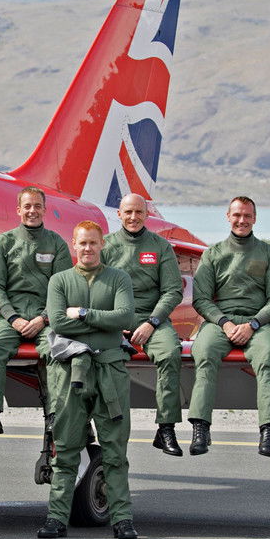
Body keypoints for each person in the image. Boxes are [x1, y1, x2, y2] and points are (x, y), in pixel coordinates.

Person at [37, 221, 137, 539]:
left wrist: (82, 313)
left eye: (93, 243)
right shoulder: (60, 280)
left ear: (102, 244)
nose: (88, 248)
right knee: (65, 448)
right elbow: (58, 323)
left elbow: (125, 318)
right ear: (74, 244)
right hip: (71, 373)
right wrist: (101, 325)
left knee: (114, 450)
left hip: (110, 372)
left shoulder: (118, 278)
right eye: (82, 243)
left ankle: (122, 519)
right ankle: (56, 518)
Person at [188, 196, 270, 456]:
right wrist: (224, 322)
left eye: (247, 216)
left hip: (260, 323)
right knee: (204, 351)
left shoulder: (269, 253)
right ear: (228, 216)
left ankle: (268, 431)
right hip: (221, 321)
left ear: (254, 218)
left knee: (268, 357)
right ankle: (200, 427)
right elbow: (200, 299)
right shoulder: (213, 254)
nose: (241, 220)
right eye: (237, 215)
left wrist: (253, 324)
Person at [0, 186, 72, 436]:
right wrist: (13, 318)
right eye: (27, 206)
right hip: (11, 315)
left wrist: (44, 318)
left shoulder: (56, 243)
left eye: (37, 206)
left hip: (46, 315)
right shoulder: (2, 242)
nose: (32, 211)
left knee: (56, 349)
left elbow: (63, 289)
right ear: (18, 210)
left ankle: (54, 414)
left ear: (44, 209)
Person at [101, 193, 186, 456]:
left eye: (139, 212)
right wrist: (114, 322)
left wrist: (152, 322)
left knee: (170, 353)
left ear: (146, 214)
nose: (133, 217)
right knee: (93, 357)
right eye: (128, 212)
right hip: (115, 319)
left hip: (152, 319)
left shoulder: (160, 247)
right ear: (119, 214)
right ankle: (101, 426)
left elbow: (173, 291)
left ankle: (166, 427)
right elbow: (95, 287)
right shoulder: (105, 247)